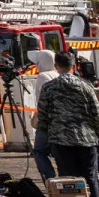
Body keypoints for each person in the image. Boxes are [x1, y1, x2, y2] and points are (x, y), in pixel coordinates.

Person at [34, 49, 99, 197]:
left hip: (61, 141)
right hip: (86, 139)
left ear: (56, 66)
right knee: (90, 177)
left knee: (67, 180)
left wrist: (47, 131)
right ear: (74, 66)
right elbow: (96, 113)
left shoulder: (49, 87)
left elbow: (43, 116)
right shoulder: (86, 86)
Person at [24, 48, 62, 180]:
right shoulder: (58, 73)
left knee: (39, 151)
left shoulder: (43, 77)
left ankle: (50, 177)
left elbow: (42, 100)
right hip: (62, 121)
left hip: (48, 121)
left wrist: (37, 118)